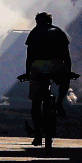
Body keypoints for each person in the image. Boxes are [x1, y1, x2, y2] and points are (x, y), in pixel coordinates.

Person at [24, 11, 72, 147]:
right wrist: (67, 72)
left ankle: (38, 135)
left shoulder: (34, 32)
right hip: (57, 65)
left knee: (36, 102)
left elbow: (29, 56)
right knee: (64, 81)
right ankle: (59, 103)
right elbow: (67, 56)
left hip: (38, 67)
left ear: (37, 21)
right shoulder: (59, 32)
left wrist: (28, 73)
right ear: (50, 21)